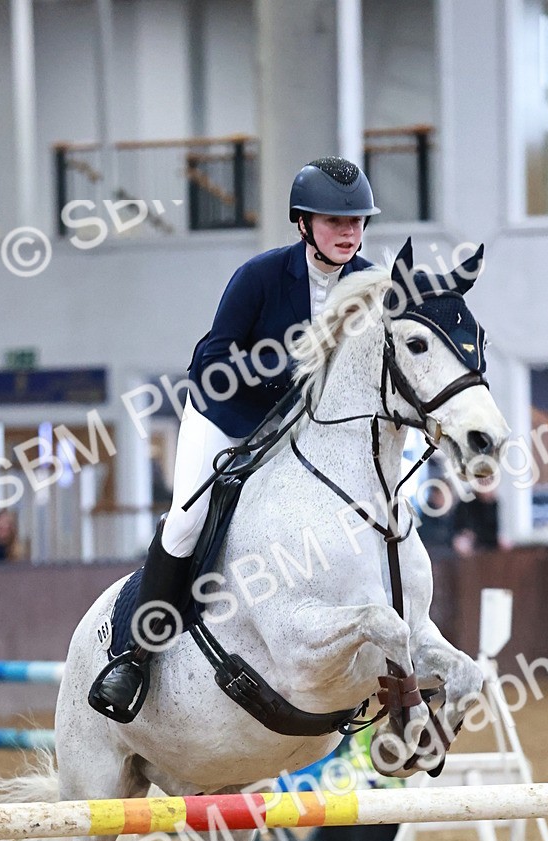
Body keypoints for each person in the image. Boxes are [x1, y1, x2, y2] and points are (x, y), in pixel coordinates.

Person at [91, 157, 380, 722]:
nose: (349, 233)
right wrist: (286, 368)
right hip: (227, 417)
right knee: (186, 520)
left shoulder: (369, 283)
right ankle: (134, 657)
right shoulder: (261, 277)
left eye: (356, 222)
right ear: (303, 224)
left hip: (303, 433)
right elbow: (213, 362)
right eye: (334, 221)